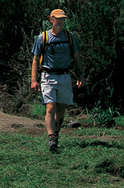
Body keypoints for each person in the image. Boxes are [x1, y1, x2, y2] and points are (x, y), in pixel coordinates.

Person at [30, 9, 85, 152]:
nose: (60, 22)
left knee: (61, 111)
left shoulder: (70, 37)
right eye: (58, 19)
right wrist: (34, 80)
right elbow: (35, 59)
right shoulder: (43, 38)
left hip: (65, 76)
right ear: (51, 20)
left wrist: (81, 75)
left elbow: (77, 57)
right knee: (50, 107)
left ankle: (56, 133)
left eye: (62, 19)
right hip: (48, 76)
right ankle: (51, 138)